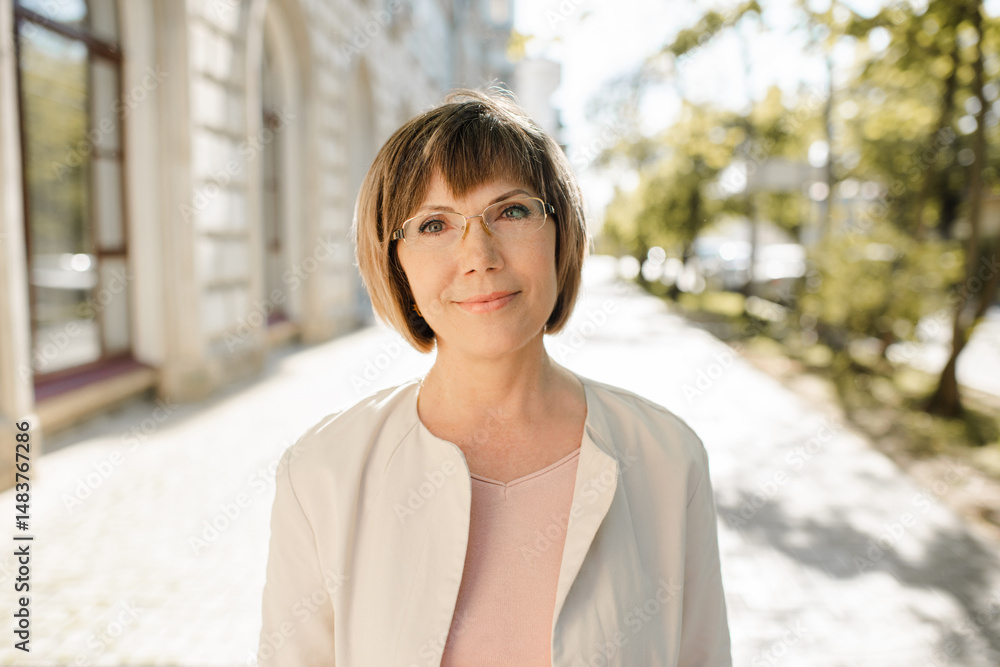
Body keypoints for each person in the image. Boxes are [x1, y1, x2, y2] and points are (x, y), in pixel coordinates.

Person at [257, 88, 732, 666]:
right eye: (434, 224)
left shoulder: (668, 458)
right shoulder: (320, 475)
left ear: (560, 234)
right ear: (396, 264)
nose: (479, 255)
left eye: (512, 211)